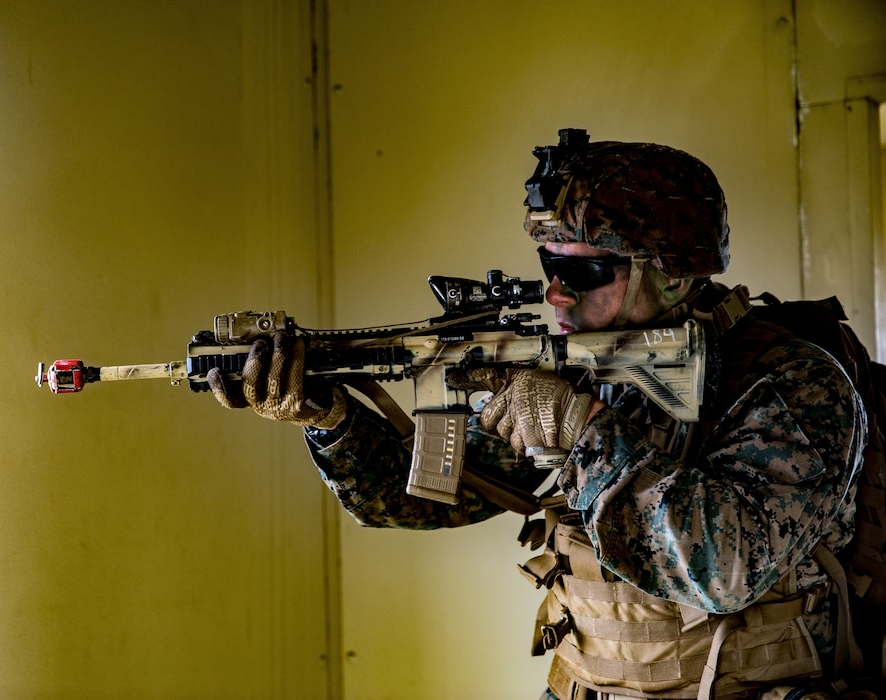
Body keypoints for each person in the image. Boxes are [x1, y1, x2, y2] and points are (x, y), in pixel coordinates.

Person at [206, 130, 868, 699]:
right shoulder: (578, 366)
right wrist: (328, 419)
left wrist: (579, 429)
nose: (553, 291)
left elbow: (724, 568)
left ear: (670, 273)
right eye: (548, 265)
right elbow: (435, 496)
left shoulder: (792, 382)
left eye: (582, 273)